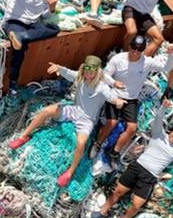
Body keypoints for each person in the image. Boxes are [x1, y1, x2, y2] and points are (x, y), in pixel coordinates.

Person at [9, 55, 124, 187]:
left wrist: (117, 101)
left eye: (92, 70)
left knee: (81, 143)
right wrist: (58, 67)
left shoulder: (102, 87)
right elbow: (68, 73)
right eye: (86, 69)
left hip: (87, 120)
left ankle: (70, 171)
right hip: (74, 110)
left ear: (97, 71)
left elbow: (111, 96)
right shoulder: (80, 77)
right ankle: (24, 136)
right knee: (47, 111)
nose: (88, 73)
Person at [92, 102, 173, 218]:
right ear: (171, 131)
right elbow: (158, 120)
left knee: (137, 204)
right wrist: (163, 107)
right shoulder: (159, 134)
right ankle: (103, 211)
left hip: (149, 176)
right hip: (137, 166)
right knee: (118, 192)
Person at [91, 34, 173, 165]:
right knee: (111, 122)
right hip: (115, 95)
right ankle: (97, 144)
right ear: (129, 47)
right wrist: (113, 83)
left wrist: (171, 55)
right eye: (133, 49)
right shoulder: (118, 59)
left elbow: (166, 67)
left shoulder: (147, 62)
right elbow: (105, 74)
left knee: (132, 128)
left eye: (139, 50)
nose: (135, 52)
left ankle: (115, 152)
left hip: (131, 100)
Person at [2, 0, 61, 93]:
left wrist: (52, 8)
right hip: (14, 21)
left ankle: (22, 36)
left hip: (31, 24)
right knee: (20, 48)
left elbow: (45, 17)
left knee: (54, 28)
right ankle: (12, 81)